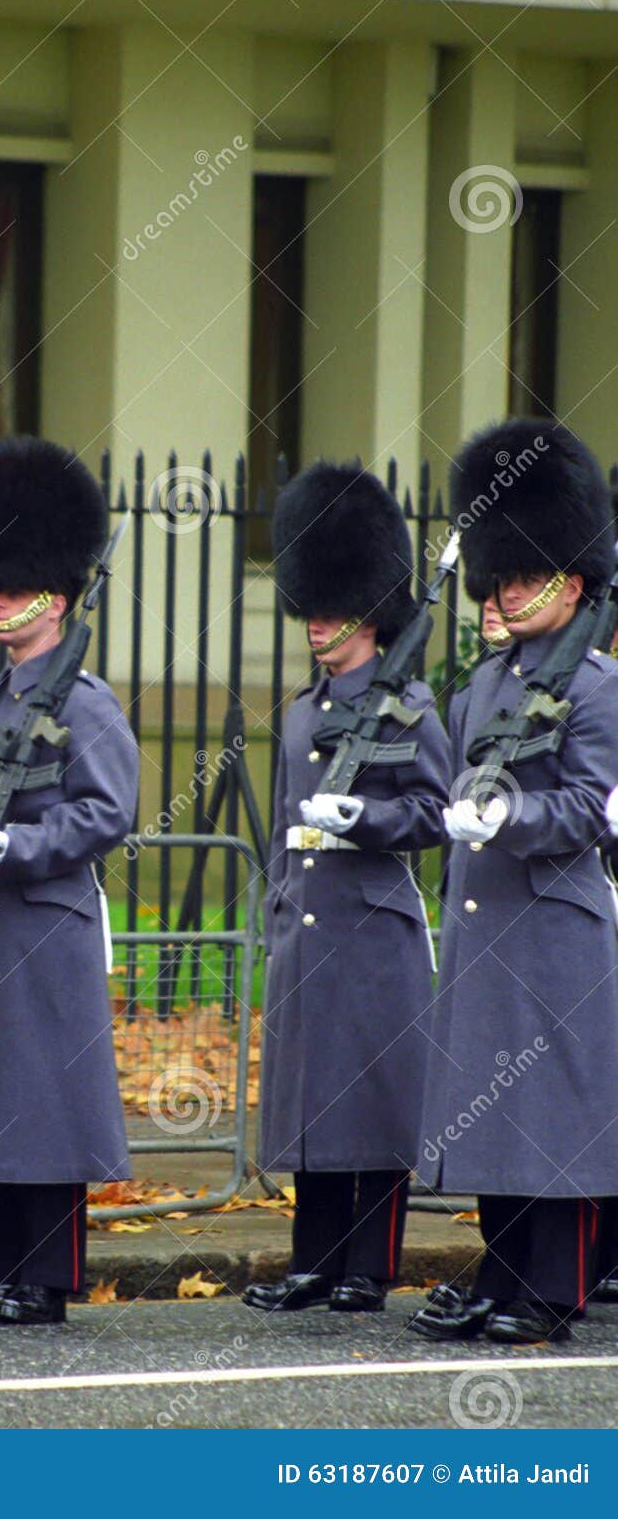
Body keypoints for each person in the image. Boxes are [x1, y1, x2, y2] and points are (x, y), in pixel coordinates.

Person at [410, 418, 618, 1346]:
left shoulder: (602, 688)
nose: (503, 592)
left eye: (524, 576)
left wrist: (511, 819)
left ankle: (554, 1291)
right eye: (499, 576)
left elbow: (590, 807)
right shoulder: (480, 685)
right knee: (490, 1113)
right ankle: (500, 1274)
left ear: (571, 583)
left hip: (555, 924)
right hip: (484, 920)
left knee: (557, 1117)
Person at [0, 437, 139, 1328]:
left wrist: (12, 846)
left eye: (12, 591)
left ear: (54, 597)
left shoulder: (83, 703)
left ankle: (46, 1279)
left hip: (46, 920)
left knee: (46, 1102)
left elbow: (106, 813)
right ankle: (4, 1267)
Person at [242, 463, 448, 1315]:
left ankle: (369, 1267)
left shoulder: (408, 708)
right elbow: (288, 830)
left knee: (374, 1104)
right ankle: (314, 1262)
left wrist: (363, 816)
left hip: (374, 929)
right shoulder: (300, 711)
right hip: (309, 926)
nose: (317, 627)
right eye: (311, 611)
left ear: (367, 613)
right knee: (313, 1104)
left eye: (331, 612)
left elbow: (435, 812)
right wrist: (278, 908)